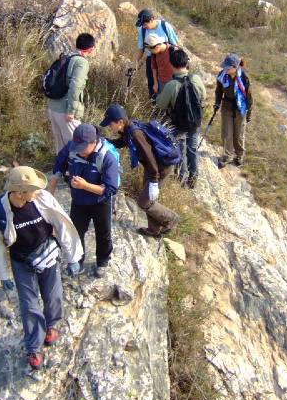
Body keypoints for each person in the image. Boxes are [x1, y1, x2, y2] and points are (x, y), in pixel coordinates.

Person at [0, 166, 83, 370]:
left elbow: (62, 225)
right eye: (33, 189)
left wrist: (73, 257)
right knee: (29, 305)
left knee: (53, 296)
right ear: (20, 192)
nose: (38, 191)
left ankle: (52, 324)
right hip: (21, 261)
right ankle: (34, 346)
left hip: (47, 254)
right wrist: (3, 274)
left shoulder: (42, 199)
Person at [48, 124, 120, 278]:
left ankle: (102, 261)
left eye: (82, 147)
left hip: (100, 202)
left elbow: (110, 189)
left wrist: (85, 186)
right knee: (76, 232)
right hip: (79, 201)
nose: (79, 151)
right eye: (77, 146)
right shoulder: (71, 149)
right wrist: (48, 201)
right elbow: (57, 170)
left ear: (94, 142)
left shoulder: (107, 157)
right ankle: (78, 261)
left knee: (103, 233)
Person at [100, 104, 180, 238]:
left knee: (144, 202)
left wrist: (154, 180)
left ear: (120, 122)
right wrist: (106, 141)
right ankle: (154, 229)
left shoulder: (135, 133)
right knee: (148, 198)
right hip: (152, 167)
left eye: (111, 124)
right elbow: (122, 142)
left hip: (160, 168)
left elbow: (149, 157)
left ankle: (171, 218)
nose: (109, 127)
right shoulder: (128, 130)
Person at [156, 48, 207, 188]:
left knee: (180, 150)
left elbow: (160, 104)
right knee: (192, 149)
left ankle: (182, 179)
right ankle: (193, 178)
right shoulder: (196, 79)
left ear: (171, 65)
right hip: (195, 122)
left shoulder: (171, 85)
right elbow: (203, 96)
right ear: (186, 63)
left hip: (178, 124)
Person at [47, 33, 96, 153]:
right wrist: (71, 111)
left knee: (61, 148)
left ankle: (61, 165)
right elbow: (75, 87)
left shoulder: (67, 57)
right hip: (65, 111)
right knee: (79, 146)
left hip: (53, 107)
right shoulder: (81, 62)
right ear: (90, 49)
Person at [214, 54, 252, 168]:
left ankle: (239, 156)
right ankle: (227, 156)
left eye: (228, 68)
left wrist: (249, 114)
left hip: (241, 108)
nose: (225, 69)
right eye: (224, 67)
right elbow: (219, 90)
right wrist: (217, 103)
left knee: (239, 134)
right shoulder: (222, 75)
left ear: (235, 67)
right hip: (227, 106)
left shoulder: (244, 78)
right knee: (227, 133)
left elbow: (249, 97)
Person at [134, 9, 179, 99]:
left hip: (166, 60)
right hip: (151, 60)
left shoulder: (165, 26)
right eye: (142, 25)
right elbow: (141, 49)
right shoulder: (142, 30)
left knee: (167, 85)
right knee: (152, 87)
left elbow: (175, 45)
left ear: (151, 20)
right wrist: (135, 63)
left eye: (145, 24)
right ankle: (154, 105)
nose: (143, 26)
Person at [145, 33, 173, 97]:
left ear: (157, 47)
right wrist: (155, 83)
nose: (150, 52)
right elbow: (154, 67)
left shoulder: (173, 51)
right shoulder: (154, 54)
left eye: (151, 50)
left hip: (173, 84)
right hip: (161, 83)